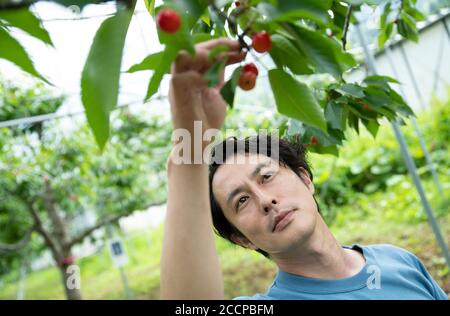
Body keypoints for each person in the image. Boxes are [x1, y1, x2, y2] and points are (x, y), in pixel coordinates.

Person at [160, 38, 448, 300]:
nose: (265, 200)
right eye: (241, 201)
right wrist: (191, 143)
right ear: (241, 238)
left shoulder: (399, 263)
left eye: (267, 176)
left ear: (305, 178)